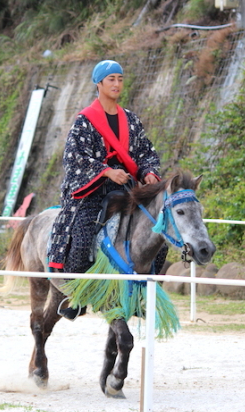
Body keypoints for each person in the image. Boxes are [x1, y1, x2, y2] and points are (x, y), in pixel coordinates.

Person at [48, 60, 163, 280]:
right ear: (98, 83)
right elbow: (75, 158)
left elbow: (145, 152)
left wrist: (148, 172)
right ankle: (73, 294)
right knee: (81, 240)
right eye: (111, 79)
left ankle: (148, 289)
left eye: (120, 79)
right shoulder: (84, 121)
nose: (117, 83)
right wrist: (106, 172)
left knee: (156, 236)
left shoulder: (131, 120)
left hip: (128, 189)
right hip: (93, 192)